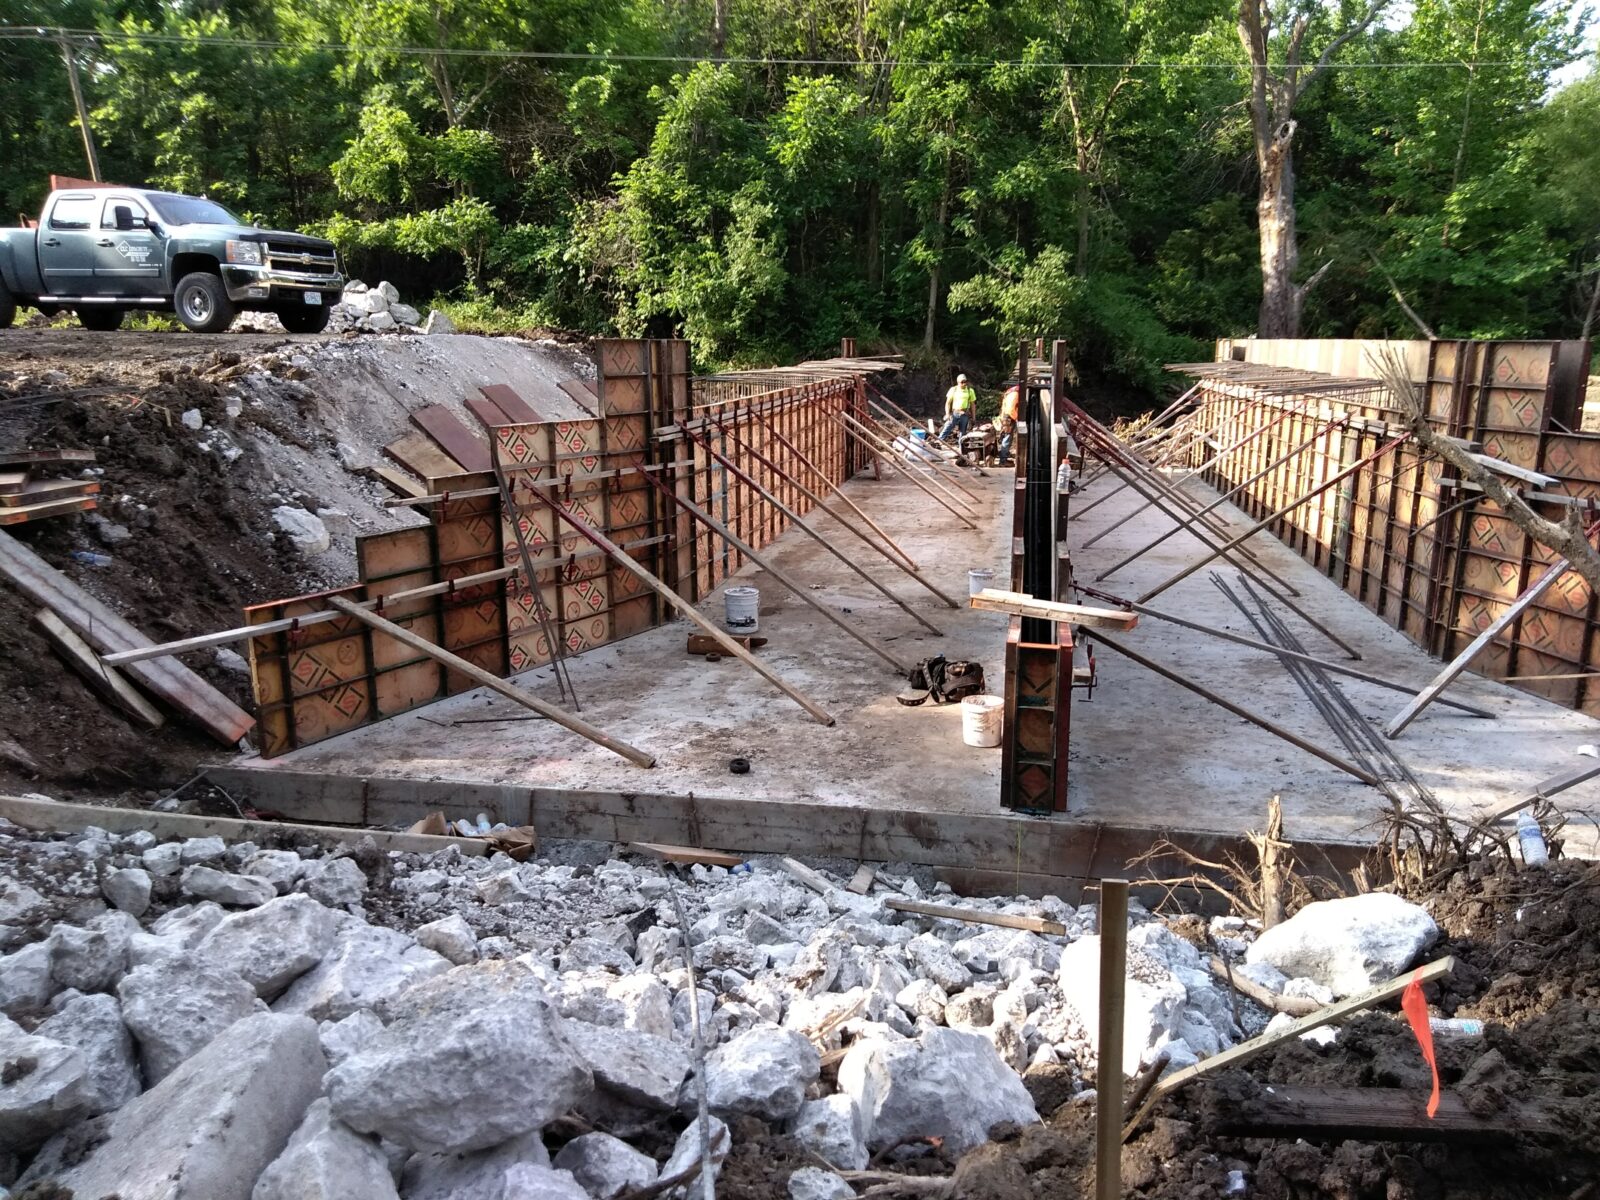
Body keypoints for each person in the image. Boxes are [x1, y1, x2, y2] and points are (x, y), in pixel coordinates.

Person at [938, 373, 976, 441]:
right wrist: (947, 414)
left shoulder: (970, 391)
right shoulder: (953, 389)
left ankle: (961, 449)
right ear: (958, 382)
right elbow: (948, 403)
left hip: (965, 414)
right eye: (962, 382)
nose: (964, 384)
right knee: (947, 427)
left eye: (965, 382)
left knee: (963, 433)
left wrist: (973, 417)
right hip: (955, 413)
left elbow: (972, 405)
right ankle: (938, 441)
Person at [995, 381, 1020, 462]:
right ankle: (1003, 461)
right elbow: (1011, 409)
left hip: (1006, 418)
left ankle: (1004, 458)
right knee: (1007, 439)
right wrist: (1017, 418)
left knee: (1006, 438)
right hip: (1009, 419)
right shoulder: (1015, 394)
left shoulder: (1010, 393)